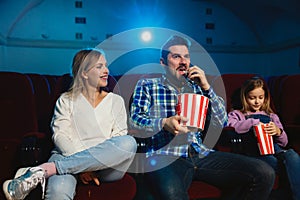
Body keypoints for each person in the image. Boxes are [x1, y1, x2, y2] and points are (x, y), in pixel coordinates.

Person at [129, 35, 276, 200]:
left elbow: (223, 120)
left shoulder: (197, 86)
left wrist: (206, 87)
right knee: (172, 195)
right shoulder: (149, 85)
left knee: (265, 173)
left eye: (186, 56)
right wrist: (164, 123)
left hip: (200, 153)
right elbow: (135, 120)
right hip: (165, 155)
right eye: (176, 56)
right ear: (163, 62)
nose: (183, 61)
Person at [3, 48, 137, 200]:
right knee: (59, 190)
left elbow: (118, 137)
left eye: (106, 65)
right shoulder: (65, 100)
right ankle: (48, 171)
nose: (106, 71)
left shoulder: (116, 101)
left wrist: (92, 164)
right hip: (66, 155)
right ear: (84, 73)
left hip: (106, 166)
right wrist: (82, 167)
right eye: (99, 67)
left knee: (128, 142)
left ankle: (45, 170)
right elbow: (61, 136)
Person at [227, 76, 300, 200]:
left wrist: (278, 132)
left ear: (265, 98)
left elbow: (284, 142)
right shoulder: (237, 114)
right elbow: (233, 127)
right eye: (252, 98)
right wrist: (252, 123)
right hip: (255, 153)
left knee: (292, 155)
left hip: (275, 150)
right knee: (272, 161)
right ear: (245, 98)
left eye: (260, 98)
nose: (257, 102)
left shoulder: (272, 116)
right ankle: (288, 179)